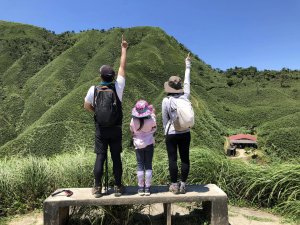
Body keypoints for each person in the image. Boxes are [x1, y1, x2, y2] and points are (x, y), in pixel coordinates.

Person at [84, 35, 128, 198]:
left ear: (101, 76)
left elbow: (86, 105)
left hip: (101, 129)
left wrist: (96, 111)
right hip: (116, 129)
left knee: (100, 157)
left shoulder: (93, 89)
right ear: (113, 76)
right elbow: (123, 68)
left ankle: (97, 188)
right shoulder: (118, 87)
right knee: (116, 157)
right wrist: (124, 49)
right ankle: (117, 187)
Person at [162, 53, 192, 194]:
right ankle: (183, 184)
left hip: (172, 133)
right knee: (185, 158)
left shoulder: (166, 101)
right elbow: (187, 81)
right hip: (185, 132)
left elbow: (164, 120)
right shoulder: (185, 96)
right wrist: (187, 64)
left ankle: (174, 185)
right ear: (179, 87)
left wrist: (166, 132)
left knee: (172, 159)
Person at [130, 100, 156, 196]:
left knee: (140, 165)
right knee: (148, 165)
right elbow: (154, 128)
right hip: (149, 143)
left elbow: (132, 131)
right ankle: (148, 188)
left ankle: (141, 188)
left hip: (138, 144)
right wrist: (153, 113)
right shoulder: (151, 119)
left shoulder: (133, 121)